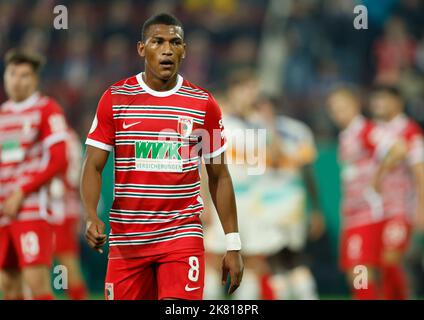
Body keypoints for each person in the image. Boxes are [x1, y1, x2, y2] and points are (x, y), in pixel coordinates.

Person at [80, 13, 244, 300]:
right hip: (128, 240)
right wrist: (91, 214)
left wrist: (233, 243)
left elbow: (220, 176)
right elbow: (93, 165)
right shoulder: (116, 98)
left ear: (184, 50)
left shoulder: (204, 104)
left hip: (182, 237)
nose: (167, 49)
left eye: (175, 42)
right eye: (158, 42)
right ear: (142, 49)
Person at [0, 49, 68, 300]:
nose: (17, 80)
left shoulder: (47, 109)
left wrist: (22, 192)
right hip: (3, 209)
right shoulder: (3, 114)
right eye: (12, 74)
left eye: (24, 75)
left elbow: (59, 160)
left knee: (36, 281)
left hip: (30, 208)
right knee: (7, 283)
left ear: (35, 80)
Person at [327, 86, 406, 300]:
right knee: (358, 271)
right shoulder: (346, 135)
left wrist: (378, 175)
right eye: (333, 110)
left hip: (369, 212)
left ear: (355, 105)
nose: (337, 114)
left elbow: (399, 148)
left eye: (342, 108)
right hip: (354, 212)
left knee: (359, 268)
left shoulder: (365, 129)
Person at [369, 85, 424, 300]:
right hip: (373, 209)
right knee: (367, 265)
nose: (377, 104)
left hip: (400, 207)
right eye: (376, 99)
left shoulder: (409, 131)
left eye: (383, 99)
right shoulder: (373, 130)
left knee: (390, 258)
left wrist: (421, 207)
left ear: (397, 103)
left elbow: (420, 172)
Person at [51, 129, 87, 300]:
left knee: (66, 260)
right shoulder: (71, 136)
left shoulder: (54, 136)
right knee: (65, 260)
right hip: (68, 205)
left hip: (57, 205)